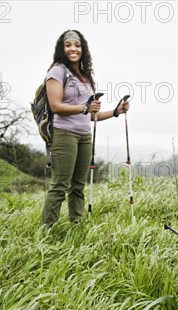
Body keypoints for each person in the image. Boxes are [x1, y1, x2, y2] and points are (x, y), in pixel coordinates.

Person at [42, 29, 130, 226]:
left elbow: (91, 115)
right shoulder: (57, 71)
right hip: (64, 134)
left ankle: (76, 225)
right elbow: (56, 106)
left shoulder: (85, 77)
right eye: (68, 45)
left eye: (77, 45)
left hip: (84, 135)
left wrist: (116, 111)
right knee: (60, 185)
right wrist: (83, 107)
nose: (73, 48)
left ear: (83, 49)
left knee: (78, 186)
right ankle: (47, 232)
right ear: (62, 49)